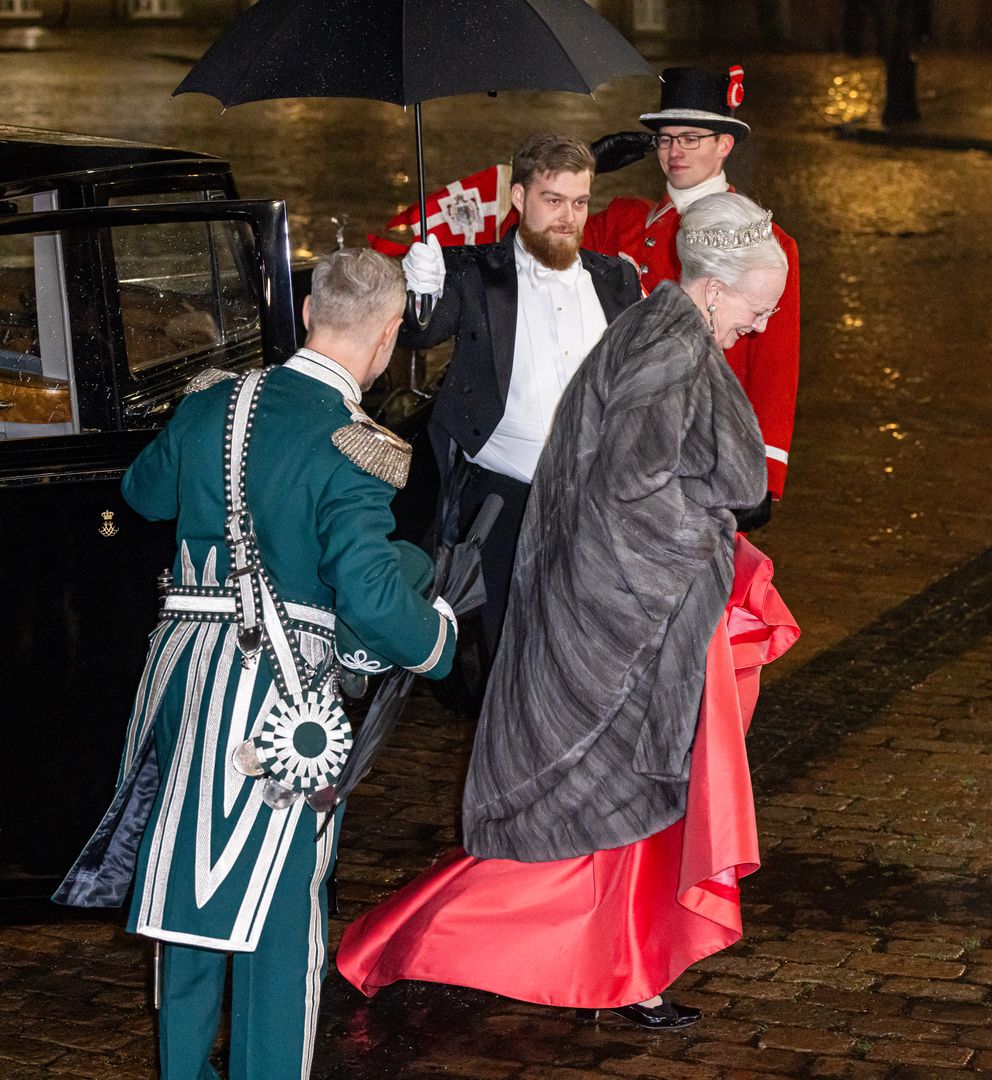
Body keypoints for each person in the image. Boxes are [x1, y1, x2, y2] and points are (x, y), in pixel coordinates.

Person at [337, 193, 800, 1029]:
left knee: (607, 816)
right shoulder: (669, 350)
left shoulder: (670, 332)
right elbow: (629, 493)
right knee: (585, 817)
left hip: (617, 616)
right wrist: (705, 552)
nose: (761, 325)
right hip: (616, 625)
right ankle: (415, 945)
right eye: (757, 308)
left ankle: (626, 971)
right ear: (713, 290)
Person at [54, 249, 458, 1080]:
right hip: (276, 699)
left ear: (309, 310)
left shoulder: (212, 404)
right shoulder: (356, 444)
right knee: (279, 918)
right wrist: (441, 638)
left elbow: (142, 497)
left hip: (180, 683)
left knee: (186, 901)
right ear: (387, 339)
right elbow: (376, 602)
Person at [398, 132, 640, 660]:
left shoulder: (617, 280)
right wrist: (420, 294)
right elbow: (420, 333)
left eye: (579, 203)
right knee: (507, 650)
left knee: (587, 648)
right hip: (502, 498)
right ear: (520, 198)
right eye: (553, 201)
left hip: (593, 498)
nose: (568, 218)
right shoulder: (475, 272)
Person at [584, 67, 800, 514]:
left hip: (705, 447)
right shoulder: (621, 222)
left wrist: (764, 467)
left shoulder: (767, 242)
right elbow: (532, 255)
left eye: (690, 137)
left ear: (725, 144)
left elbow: (776, 363)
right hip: (613, 437)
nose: (674, 151)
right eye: (665, 138)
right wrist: (576, 168)